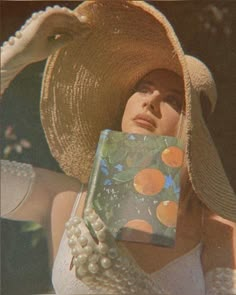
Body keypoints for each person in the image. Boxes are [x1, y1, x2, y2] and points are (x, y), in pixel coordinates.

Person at [1, 1, 236, 294]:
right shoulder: (67, 199)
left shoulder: (218, 231)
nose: (149, 101)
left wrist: (127, 285)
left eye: (174, 100)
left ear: (196, 133)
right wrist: (12, 58)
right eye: (143, 88)